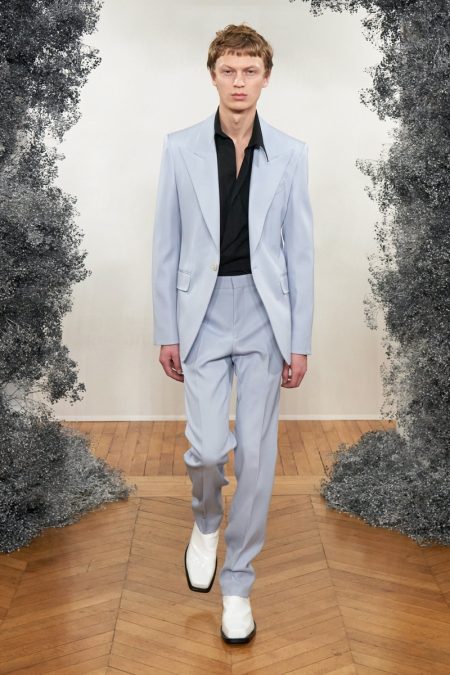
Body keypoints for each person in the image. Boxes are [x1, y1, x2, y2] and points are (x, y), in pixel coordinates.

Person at [152, 22, 314, 644]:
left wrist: (299, 340)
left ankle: (238, 583)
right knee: (208, 450)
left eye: (250, 71)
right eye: (229, 70)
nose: (239, 81)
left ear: (266, 78)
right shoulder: (180, 148)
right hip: (202, 314)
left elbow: (300, 255)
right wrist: (167, 328)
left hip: (266, 318)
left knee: (258, 458)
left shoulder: (291, 153)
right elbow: (166, 245)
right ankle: (205, 521)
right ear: (213, 75)